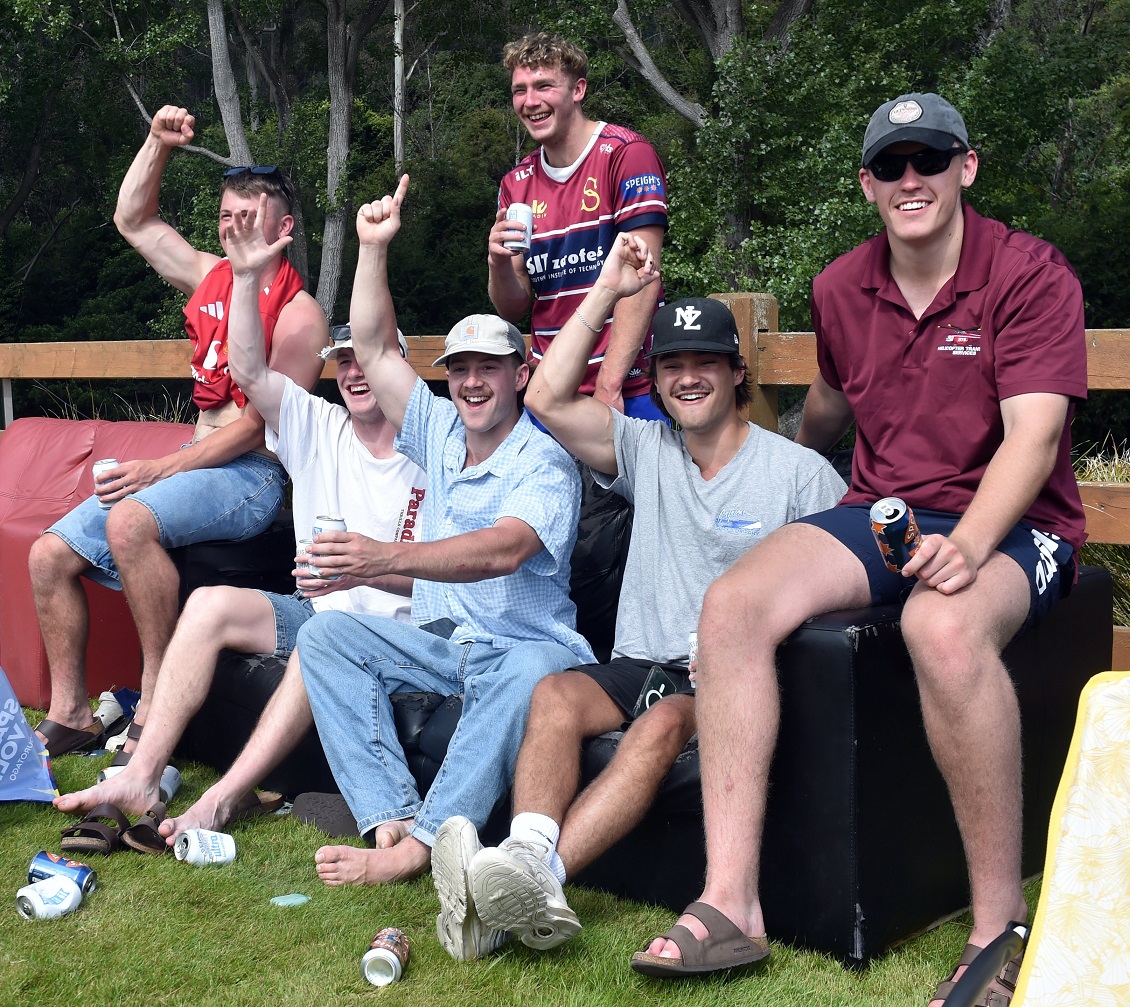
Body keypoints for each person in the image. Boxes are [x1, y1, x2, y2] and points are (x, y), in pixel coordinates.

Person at [632, 93, 1086, 1004]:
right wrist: (788, 455)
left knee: (942, 629)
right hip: (887, 509)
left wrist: (974, 546)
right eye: (891, 165)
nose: (910, 178)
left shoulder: (1030, 273)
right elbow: (836, 404)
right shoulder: (842, 286)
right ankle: (732, 904)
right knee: (733, 605)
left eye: (930, 159)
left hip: (1019, 520)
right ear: (868, 185)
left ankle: (999, 924)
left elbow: (1033, 439)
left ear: (967, 166)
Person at [430, 234, 847, 960]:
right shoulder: (645, 449)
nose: (689, 379)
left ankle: (534, 879)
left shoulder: (798, 474)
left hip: (722, 675)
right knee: (554, 695)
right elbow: (547, 395)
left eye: (705, 364)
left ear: (737, 372)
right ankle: (524, 857)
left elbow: (842, 580)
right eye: (673, 366)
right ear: (655, 379)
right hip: (636, 660)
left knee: (658, 730)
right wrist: (608, 291)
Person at [53, 192, 427, 825]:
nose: (356, 372)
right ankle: (140, 777)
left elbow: (458, 574)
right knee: (209, 605)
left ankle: (217, 800)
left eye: (370, 359)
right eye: (342, 362)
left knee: (328, 632)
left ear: (396, 367)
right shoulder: (318, 427)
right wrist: (249, 277)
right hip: (316, 611)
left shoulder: (434, 446)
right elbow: (250, 371)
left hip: (400, 629)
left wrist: (366, 568)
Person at [289, 174, 594, 894]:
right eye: (460, 370)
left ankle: (422, 843)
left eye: (489, 367)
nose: (473, 382)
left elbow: (506, 549)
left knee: (526, 670)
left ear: (522, 372)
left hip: (526, 649)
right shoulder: (440, 431)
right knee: (324, 636)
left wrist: (381, 558)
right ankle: (387, 815)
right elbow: (369, 342)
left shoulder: (544, 461)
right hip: (444, 648)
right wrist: (371, 248)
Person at [30, 105, 327, 764]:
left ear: (282, 227)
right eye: (225, 217)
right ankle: (70, 710)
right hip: (195, 465)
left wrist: (162, 469)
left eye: (246, 217)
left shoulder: (302, 315)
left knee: (130, 520)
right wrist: (157, 144)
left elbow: (256, 427)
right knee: (47, 555)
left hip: (252, 480)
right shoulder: (208, 275)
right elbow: (134, 219)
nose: (232, 227)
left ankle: (157, 693)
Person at [488, 31, 668, 418]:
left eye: (544, 86)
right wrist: (498, 263)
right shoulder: (515, 184)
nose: (530, 102)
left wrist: (610, 384)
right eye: (520, 90)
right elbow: (513, 307)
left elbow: (643, 277)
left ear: (578, 90)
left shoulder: (626, 154)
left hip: (629, 388)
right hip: (550, 389)